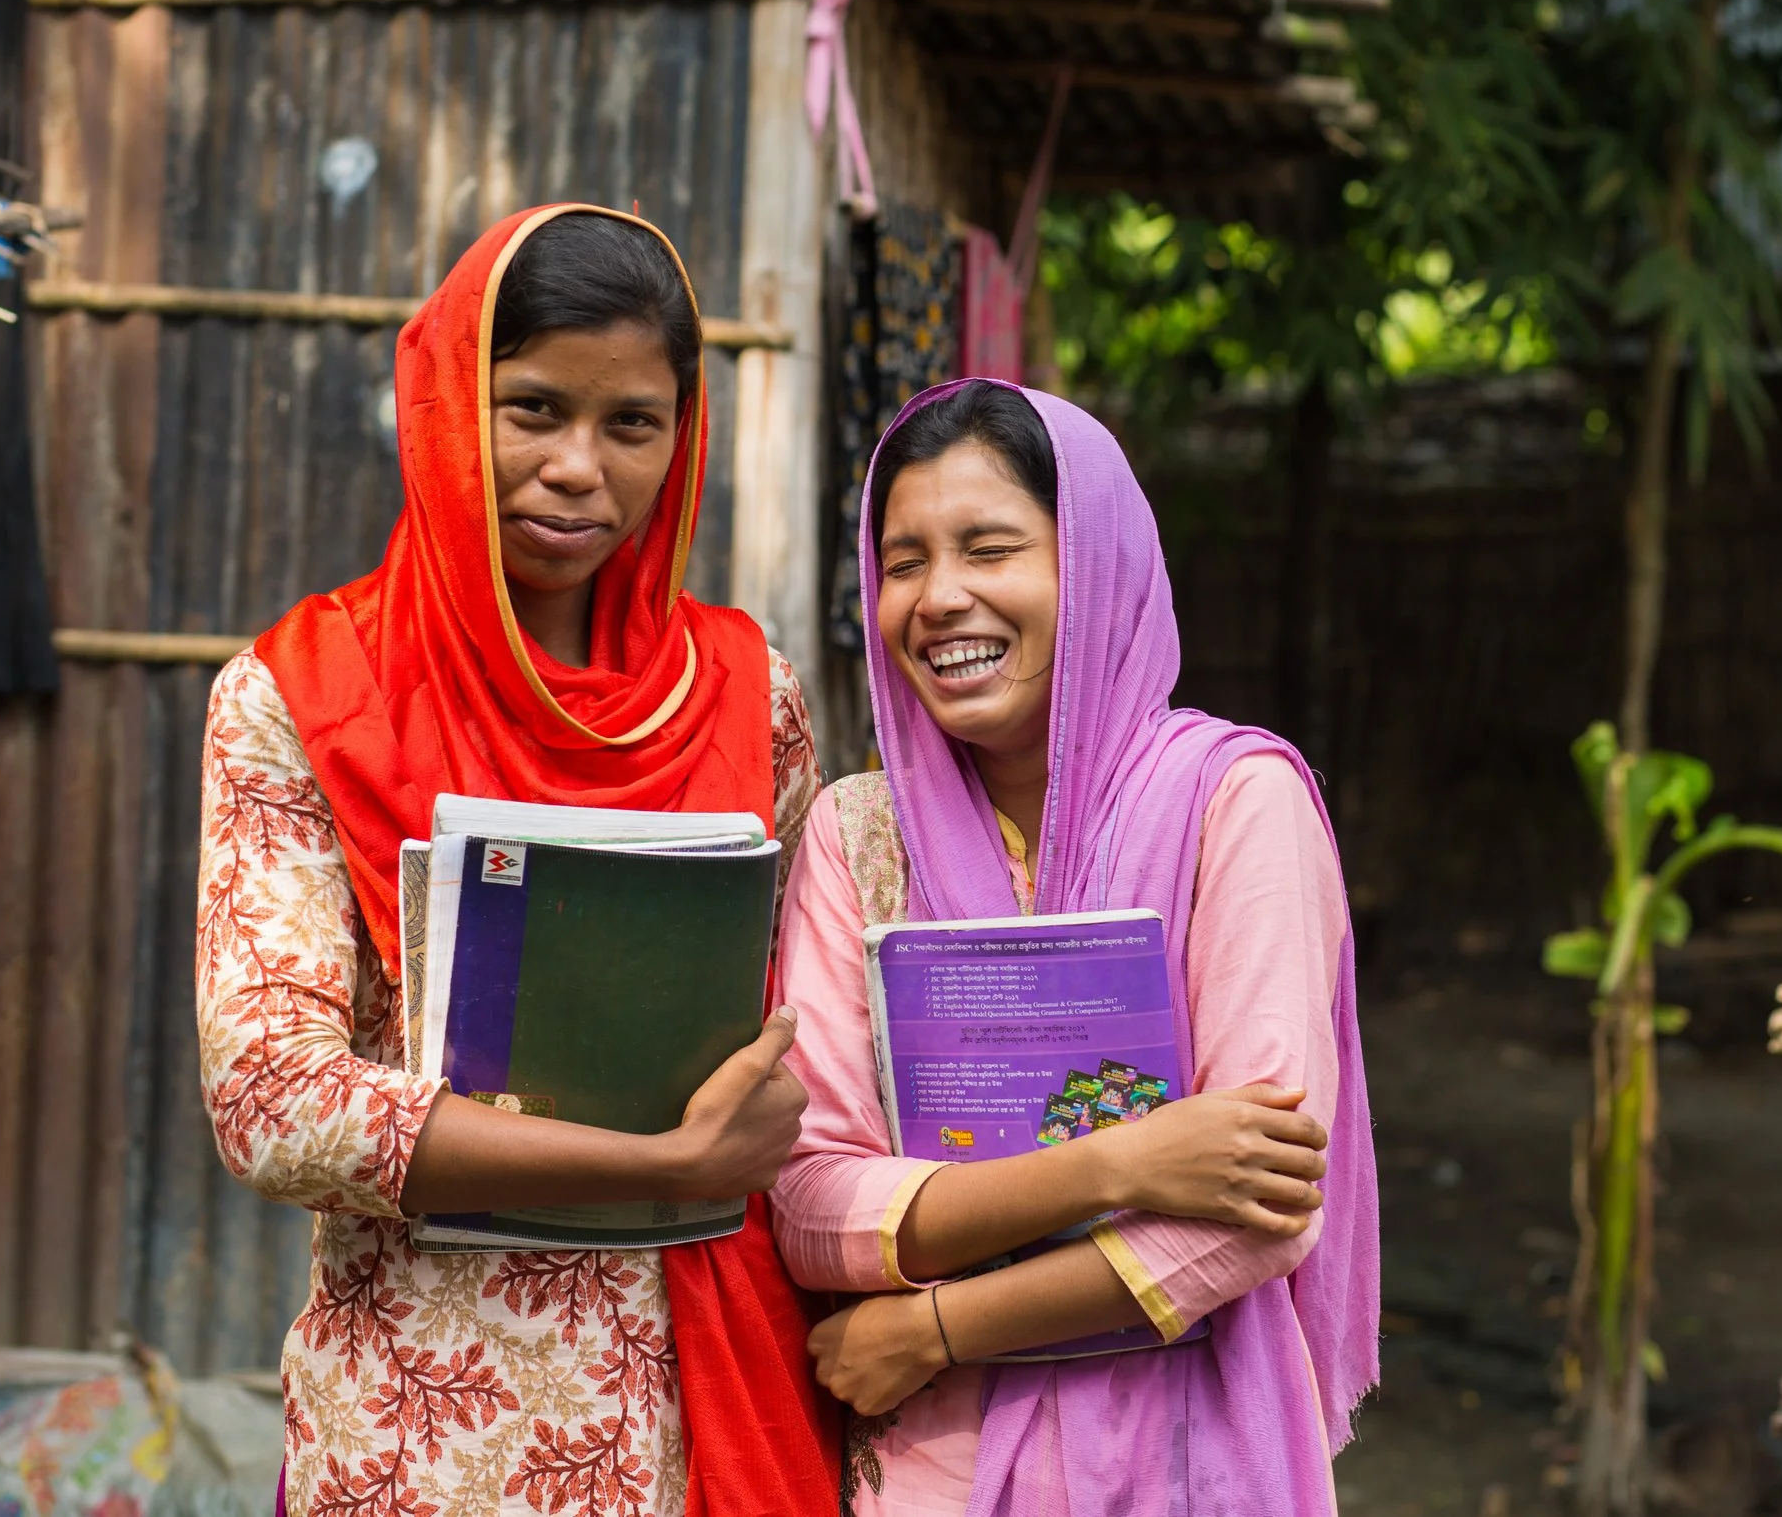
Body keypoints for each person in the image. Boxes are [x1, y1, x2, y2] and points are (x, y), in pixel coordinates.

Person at [197, 205, 837, 1517]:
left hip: (704, 1399)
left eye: (631, 423)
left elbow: (798, 1035)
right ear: (444, 404)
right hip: (426, 1423)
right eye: (533, 407)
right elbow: (272, 1100)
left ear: (684, 434)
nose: (576, 467)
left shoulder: (745, 692)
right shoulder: (300, 693)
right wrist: (660, 1161)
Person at [771, 379, 1379, 1515]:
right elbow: (810, 1198)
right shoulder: (857, 836)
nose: (941, 597)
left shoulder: (1232, 803)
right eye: (902, 562)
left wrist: (935, 1324)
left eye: (990, 547)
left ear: (1092, 565)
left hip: (1187, 1457)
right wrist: (1119, 1164)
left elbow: (1257, 1198)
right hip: (927, 1476)